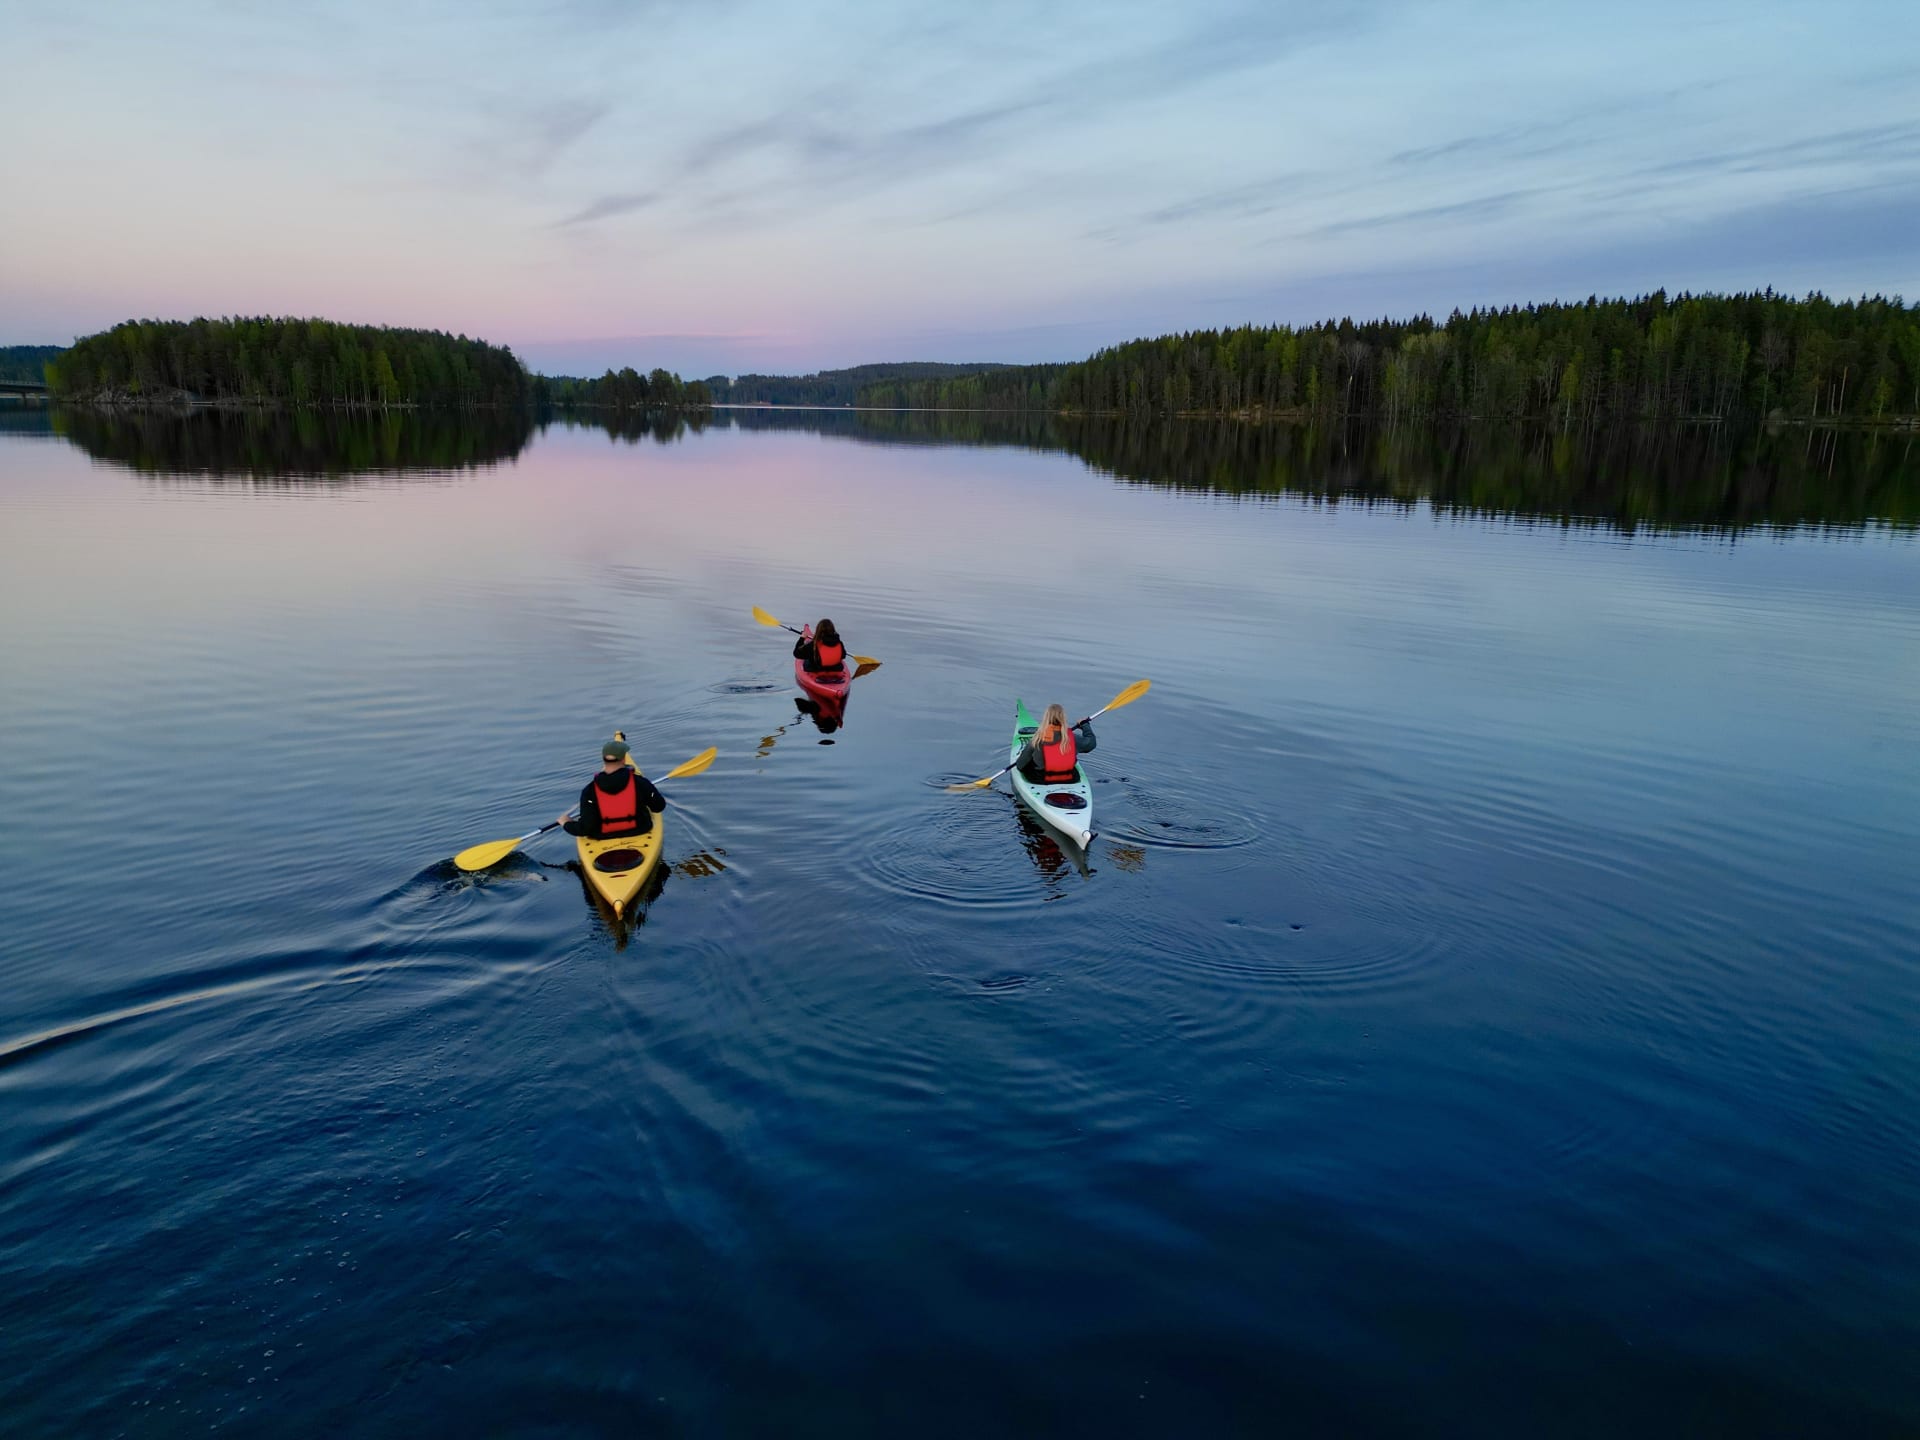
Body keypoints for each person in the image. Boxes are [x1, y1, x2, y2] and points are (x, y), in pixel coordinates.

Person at [560, 736, 665, 838]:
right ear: (623, 759)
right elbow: (658, 807)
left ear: (603, 759)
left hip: (602, 835)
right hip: (639, 830)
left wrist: (566, 823)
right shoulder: (640, 783)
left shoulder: (589, 791)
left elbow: (584, 829)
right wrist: (647, 794)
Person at [1014, 703, 1096, 783]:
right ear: (1063, 718)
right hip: (1069, 778)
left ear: (1046, 718)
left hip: (1040, 778)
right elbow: (1091, 744)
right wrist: (1084, 725)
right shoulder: (1072, 737)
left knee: (1029, 762)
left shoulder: (1038, 738)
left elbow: (1020, 765)